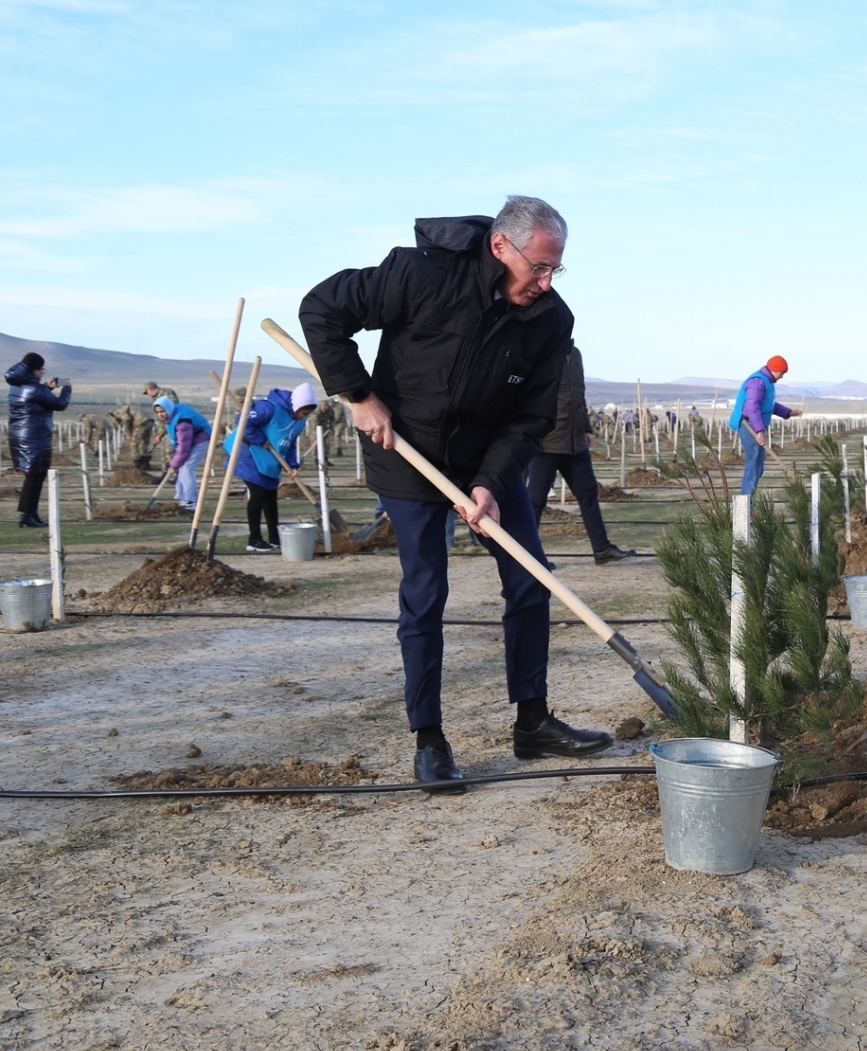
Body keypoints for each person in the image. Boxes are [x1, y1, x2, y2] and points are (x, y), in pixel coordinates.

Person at [299, 195, 614, 790]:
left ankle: (533, 721)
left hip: (484, 462)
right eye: (539, 267)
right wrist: (358, 394)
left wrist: (491, 483)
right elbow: (321, 309)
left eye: (556, 270)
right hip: (406, 453)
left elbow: (530, 419)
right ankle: (430, 739)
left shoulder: (551, 321)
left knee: (530, 580)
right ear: (501, 247)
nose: (546, 283)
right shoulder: (422, 274)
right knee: (427, 592)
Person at [527, 345, 635, 564]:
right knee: (535, 501)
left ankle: (602, 549)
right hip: (545, 443)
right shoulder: (538, 350)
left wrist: (586, 428)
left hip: (575, 443)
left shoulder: (574, 354)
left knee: (588, 495)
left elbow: (579, 395)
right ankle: (528, 558)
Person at [227, 383, 319, 552]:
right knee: (258, 493)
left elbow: (289, 444)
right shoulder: (268, 408)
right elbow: (244, 421)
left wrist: (292, 465)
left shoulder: (300, 422)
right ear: (296, 405)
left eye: (307, 414)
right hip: (248, 454)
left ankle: (275, 538)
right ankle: (254, 539)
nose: (303, 416)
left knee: (270, 496)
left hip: (269, 461)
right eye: (303, 412)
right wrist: (260, 440)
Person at [6, 352, 71, 528]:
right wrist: (67, 390)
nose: (43, 373)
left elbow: (36, 399)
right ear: (34, 370)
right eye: (41, 370)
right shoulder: (33, 388)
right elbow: (59, 405)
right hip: (33, 437)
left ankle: (31, 513)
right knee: (34, 476)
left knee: (34, 475)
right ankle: (27, 515)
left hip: (22, 436)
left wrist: (47, 388)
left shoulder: (18, 385)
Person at [729, 355, 802, 495]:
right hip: (749, 425)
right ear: (775, 370)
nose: (782, 377)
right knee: (754, 464)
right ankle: (746, 505)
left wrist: (789, 413)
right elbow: (751, 407)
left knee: (758, 466)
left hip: (755, 425)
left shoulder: (766, 382)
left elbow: (769, 405)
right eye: (782, 373)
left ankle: (750, 502)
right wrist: (760, 431)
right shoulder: (757, 382)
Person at [154, 396, 212, 511]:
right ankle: (184, 498)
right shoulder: (172, 414)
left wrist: (174, 466)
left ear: (168, 408)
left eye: (163, 411)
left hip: (201, 440)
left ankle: (190, 502)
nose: (160, 414)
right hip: (191, 440)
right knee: (183, 468)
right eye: (158, 412)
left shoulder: (182, 422)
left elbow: (184, 448)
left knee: (187, 468)